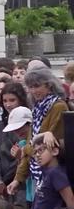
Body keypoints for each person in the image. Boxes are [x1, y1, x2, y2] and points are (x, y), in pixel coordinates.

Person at [7, 68, 67, 201]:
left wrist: (27, 149)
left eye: (37, 86)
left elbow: (47, 146)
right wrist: (17, 179)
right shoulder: (37, 108)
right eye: (30, 87)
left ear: (49, 85)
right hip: (36, 171)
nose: (33, 91)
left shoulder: (58, 106)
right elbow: (31, 145)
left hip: (52, 171)